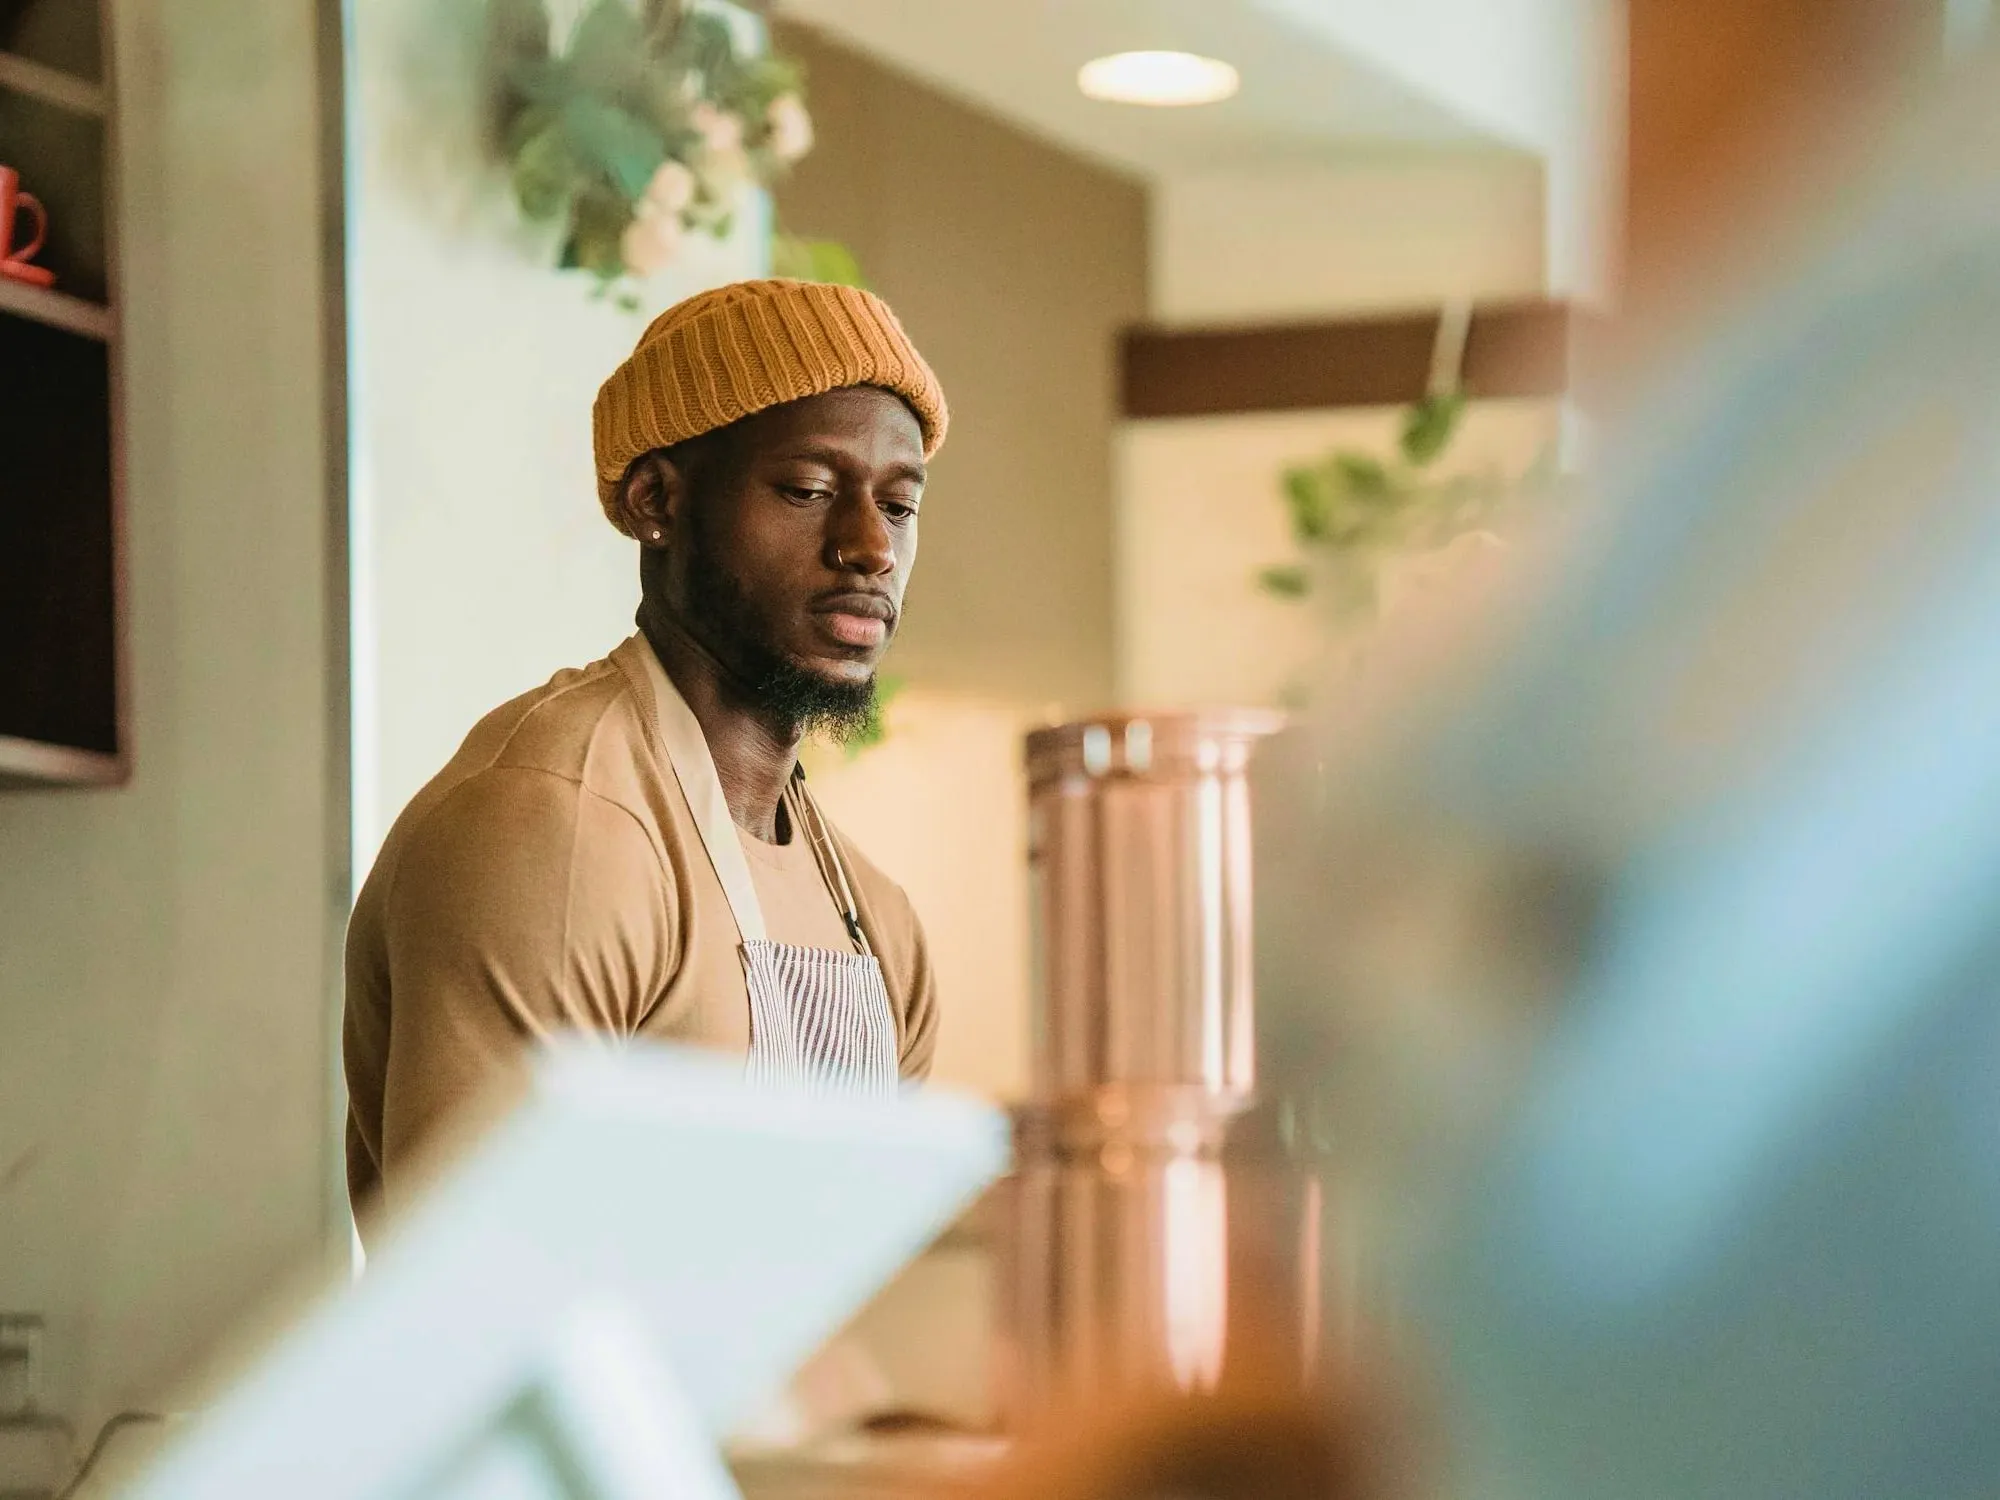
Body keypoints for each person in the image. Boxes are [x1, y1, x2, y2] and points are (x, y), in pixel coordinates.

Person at [342, 278, 950, 1226]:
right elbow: (477, 1305)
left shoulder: (877, 919)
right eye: (808, 490)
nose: (869, 545)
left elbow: (849, 1284)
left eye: (900, 506)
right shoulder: (552, 824)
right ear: (655, 502)